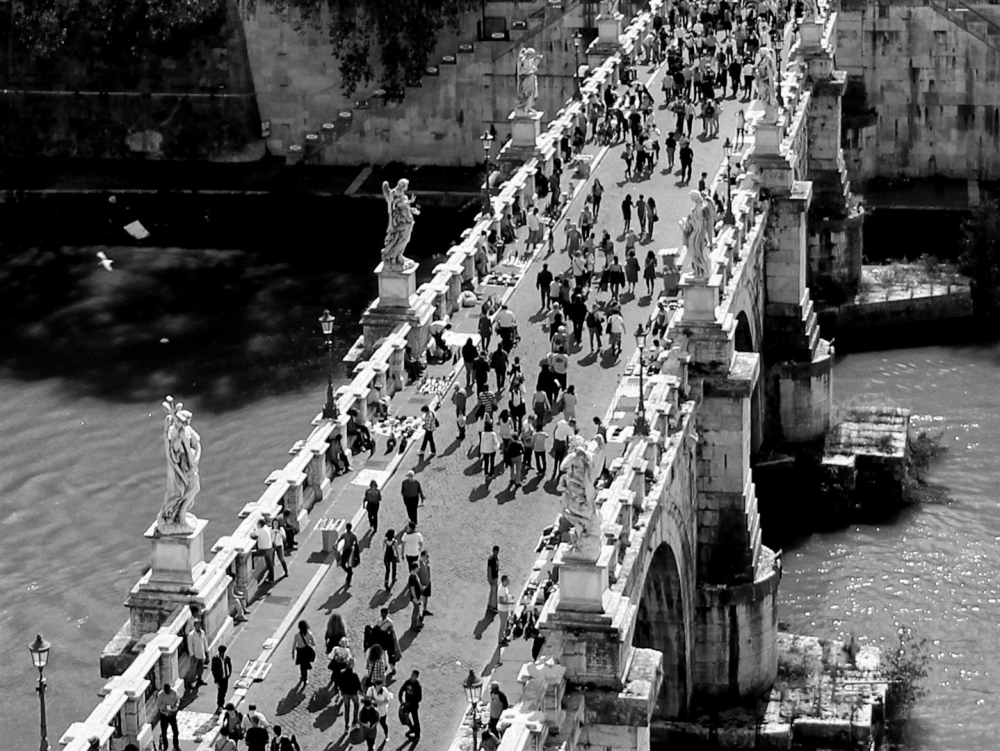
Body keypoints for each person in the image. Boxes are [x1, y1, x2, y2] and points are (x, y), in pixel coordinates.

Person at [365, 679, 393, 744]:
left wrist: (379, 702)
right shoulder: (371, 690)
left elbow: (387, 699)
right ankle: (372, 742)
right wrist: (374, 702)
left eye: (380, 686)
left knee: (383, 724)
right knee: (372, 726)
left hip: (382, 711)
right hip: (373, 712)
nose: (378, 687)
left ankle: (386, 735)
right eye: (377, 686)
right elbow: (367, 699)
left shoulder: (384, 690)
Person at [156, 682, 181, 751]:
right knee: (164, 732)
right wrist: (165, 707)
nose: (167, 692)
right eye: (166, 691)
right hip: (164, 715)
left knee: (175, 732)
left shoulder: (174, 692)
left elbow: (177, 701)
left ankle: (176, 746)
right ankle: (165, 747)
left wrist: (175, 708)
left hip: (172, 715)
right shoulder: (160, 695)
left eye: (168, 690)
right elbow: (159, 705)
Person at [399, 670, 423, 741]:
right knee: (403, 716)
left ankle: (417, 734)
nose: (412, 677)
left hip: (414, 706)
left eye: (414, 676)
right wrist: (401, 700)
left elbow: (419, 698)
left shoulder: (418, 686)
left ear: (416, 677)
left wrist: (413, 698)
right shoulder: (407, 682)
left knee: (415, 719)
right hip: (407, 704)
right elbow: (401, 690)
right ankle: (411, 728)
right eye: (412, 675)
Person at [187, 619, 209, 690]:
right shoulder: (191, 635)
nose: (198, 626)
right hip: (194, 655)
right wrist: (192, 655)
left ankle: (199, 680)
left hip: (201, 653)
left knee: (201, 668)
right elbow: (190, 646)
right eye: (197, 625)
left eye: (199, 624)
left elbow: (204, 642)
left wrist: (206, 651)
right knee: (193, 670)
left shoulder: (202, 632)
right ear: (194, 626)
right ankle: (190, 682)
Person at [292, 620, 317, 686]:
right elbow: (313, 643)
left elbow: (294, 644)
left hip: (300, 652)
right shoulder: (309, 634)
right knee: (306, 665)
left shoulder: (297, 635)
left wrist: (293, 652)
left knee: (302, 666)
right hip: (306, 652)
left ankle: (302, 676)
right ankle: (305, 679)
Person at [252, 517, 275, 583]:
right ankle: (271, 578)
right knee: (270, 564)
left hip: (264, 550)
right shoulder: (266, 528)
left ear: (259, 525)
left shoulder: (260, 531)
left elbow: (253, 535)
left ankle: (252, 568)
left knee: (252, 554)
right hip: (270, 548)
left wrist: (254, 531)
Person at [338, 522, 361, 586]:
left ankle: (348, 580)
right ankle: (349, 573)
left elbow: (356, 543)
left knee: (349, 565)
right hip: (345, 551)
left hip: (350, 552)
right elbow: (340, 539)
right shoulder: (345, 534)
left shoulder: (353, 535)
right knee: (342, 564)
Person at [211, 645, 233, 712]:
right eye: (221, 653)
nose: (222, 654)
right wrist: (216, 679)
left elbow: (229, 666)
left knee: (224, 691)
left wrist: (229, 674)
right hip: (219, 678)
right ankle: (220, 705)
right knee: (220, 692)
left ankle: (221, 703)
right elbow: (213, 669)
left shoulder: (227, 658)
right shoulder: (215, 659)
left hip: (225, 678)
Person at [341, 667, 363, 732]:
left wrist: (341, 691)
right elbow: (358, 684)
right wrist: (361, 691)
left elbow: (340, 683)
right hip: (353, 693)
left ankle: (346, 726)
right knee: (356, 706)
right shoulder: (354, 675)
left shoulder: (342, 674)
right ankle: (354, 722)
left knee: (346, 708)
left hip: (345, 693)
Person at [407, 564, 424, 631]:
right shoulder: (412, 578)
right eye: (418, 567)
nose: (419, 568)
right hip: (415, 597)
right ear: (415, 568)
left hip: (417, 596)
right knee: (416, 611)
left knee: (417, 610)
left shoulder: (415, 575)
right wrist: (416, 599)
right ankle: (414, 626)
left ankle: (417, 623)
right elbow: (412, 589)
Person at [416, 550, 433, 617]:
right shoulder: (419, 564)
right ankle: (419, 614)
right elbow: (416, 575)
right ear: (423, 556)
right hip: (422, 585)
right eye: (427, 556)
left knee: (426, 598)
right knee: (420, 599)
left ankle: (425, 610)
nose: (428, 558)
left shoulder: (426, 563)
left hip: (427, 583)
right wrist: (420, 585)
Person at [486, 545, 500, 612]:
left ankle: (489, 604)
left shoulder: (496, 558)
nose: (496, 553)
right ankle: (493, 606)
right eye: (495, 552)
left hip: (495, 577)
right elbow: (489, 569)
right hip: (493, 578)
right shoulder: (491, 559)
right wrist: (490, 578)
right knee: (494, 592)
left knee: (492, 592)